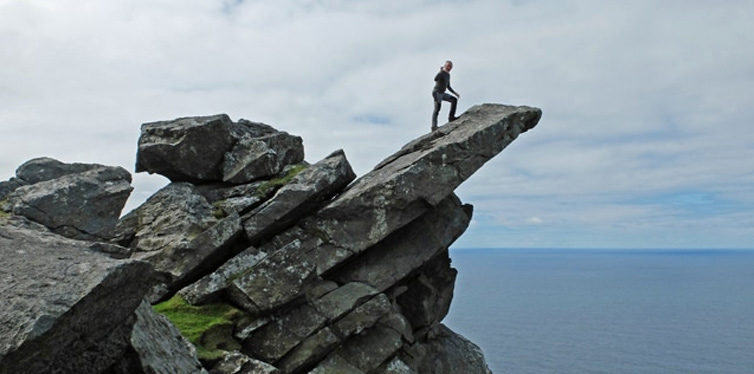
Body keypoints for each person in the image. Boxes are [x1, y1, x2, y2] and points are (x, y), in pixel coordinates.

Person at [431, 60, 461, 131]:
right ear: (445, 66)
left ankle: (451, 117)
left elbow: (448, 86)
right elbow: (435, 79)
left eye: (450, 66)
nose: (449, 67)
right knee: (437, 108)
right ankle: (433, 126)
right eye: (448, 66)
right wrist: (440, 71)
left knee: (454, 100)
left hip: (442, 93)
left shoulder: (448, 75)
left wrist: (455, 93)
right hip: (437, 93)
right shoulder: (442, 73)